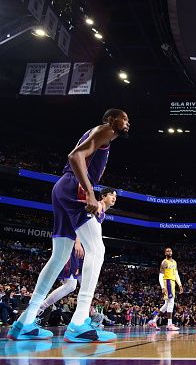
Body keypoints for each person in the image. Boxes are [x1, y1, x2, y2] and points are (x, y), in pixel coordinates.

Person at [8, 109, 130, 342]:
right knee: (97, 250)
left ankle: (25, 321)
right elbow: (75, 156)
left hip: (62, 188)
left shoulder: (101, 135)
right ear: (111, 119)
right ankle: (79, 322)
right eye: (124, 118)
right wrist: (90, 193)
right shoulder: (104, 130)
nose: (128, 123)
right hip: (75, 187)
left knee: (59, 257)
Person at [37, 188, 117, 321]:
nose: (114, 198)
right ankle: (39, 308)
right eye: (111, 195)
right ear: (103, 196)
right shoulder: (97, 205)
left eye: (116, 196)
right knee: (70, 284)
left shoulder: (102, 210)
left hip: (78, 248)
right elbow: (81, 221)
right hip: (72, 245)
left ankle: (82, 315)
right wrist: (78, 242)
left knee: (76, 284)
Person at [148, 248, 183, 331]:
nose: (169, 252)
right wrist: (163, 287)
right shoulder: (164, 262)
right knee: (171, 302)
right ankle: (169, 324)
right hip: (167, 282)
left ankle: (153, 321)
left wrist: (180, 285)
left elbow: (176, 274)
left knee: (167, 304)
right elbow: (160, 275)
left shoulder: (174, 262)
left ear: (172, 252)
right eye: (167, 251)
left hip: (172, 282)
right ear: (165, 253)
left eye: (170, 251)